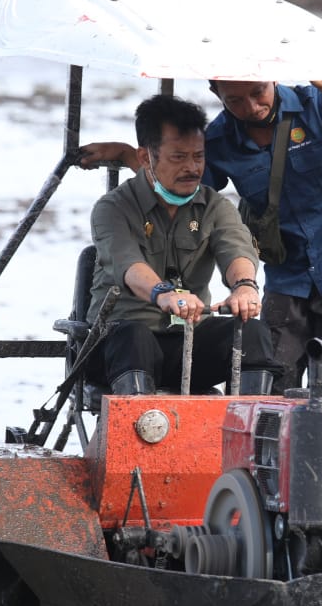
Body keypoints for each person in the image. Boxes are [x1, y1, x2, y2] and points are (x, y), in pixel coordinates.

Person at [80, 80, 322, 398]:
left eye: (258, 92)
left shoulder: (317, 103)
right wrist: (126, 155)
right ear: (216, 94)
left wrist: (244, 286)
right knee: (277, 380)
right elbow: (170, 186)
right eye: (235, 99)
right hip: (287, 272)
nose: (251, 107)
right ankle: (252, 443)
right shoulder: (217, 141)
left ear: (272, 79)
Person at [85, 94, 280, 396]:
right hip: (119, 346)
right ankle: (140, 432)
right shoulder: (112, 208)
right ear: (145, 157)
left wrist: (244, 286)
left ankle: (253, 433)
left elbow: (237, 248)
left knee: (251, 332)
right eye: (178, 157)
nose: (192, 167)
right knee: (134, 336)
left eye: (198, 156)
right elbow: (128, 264)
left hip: (187, 342)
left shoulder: (215, 206)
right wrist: (163, 293)